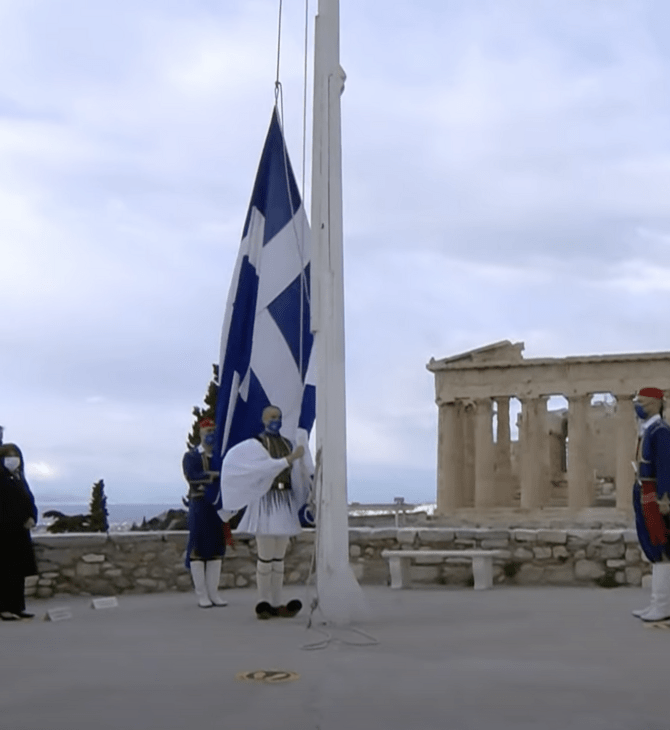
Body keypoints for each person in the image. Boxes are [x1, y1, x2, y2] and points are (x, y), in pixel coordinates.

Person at [218, 405, 310, 620]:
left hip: (284, 501)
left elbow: (297, 475)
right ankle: (263, 600)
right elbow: (261, 468)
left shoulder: (287, 443)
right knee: (266, 557)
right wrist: (289, 459)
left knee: (279, 559)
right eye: (271, 417)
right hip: (266, 502)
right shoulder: (256, 445)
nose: (275, 420)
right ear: (263, 419)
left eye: (278, 416)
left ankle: (277, 602)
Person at [182, 418, 233, 608]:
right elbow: (192, 477)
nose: (211, 434)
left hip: (217, 507)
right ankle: (201, 594)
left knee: (216, 549)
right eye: (207, 431)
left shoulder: (220, 456)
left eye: (213, 430)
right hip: (200, 505)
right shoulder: (192, 456)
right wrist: (214, 476)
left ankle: (214, 593)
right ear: (200, 433)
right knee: (198, 549)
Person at [629, 387, 670, 622]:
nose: (637, 406)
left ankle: (662, 605)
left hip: (655, 496)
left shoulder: (660, 431)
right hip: (645, 491)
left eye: (641, 402)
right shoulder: (648, 430)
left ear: (654, 404)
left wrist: (665, 499)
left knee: (660, 546)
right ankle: (657, 602)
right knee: (652, 546)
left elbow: (666, 467)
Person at [0, 443, 38, 621]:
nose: (12, 459)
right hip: (5, 532)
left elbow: (28, 499)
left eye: (15, 455)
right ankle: (4, 608)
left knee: (17, 573)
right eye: (8, 455)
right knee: (5, 572)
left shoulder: (19, 477)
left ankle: (17, 607)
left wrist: (31, 516)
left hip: (20, 533)